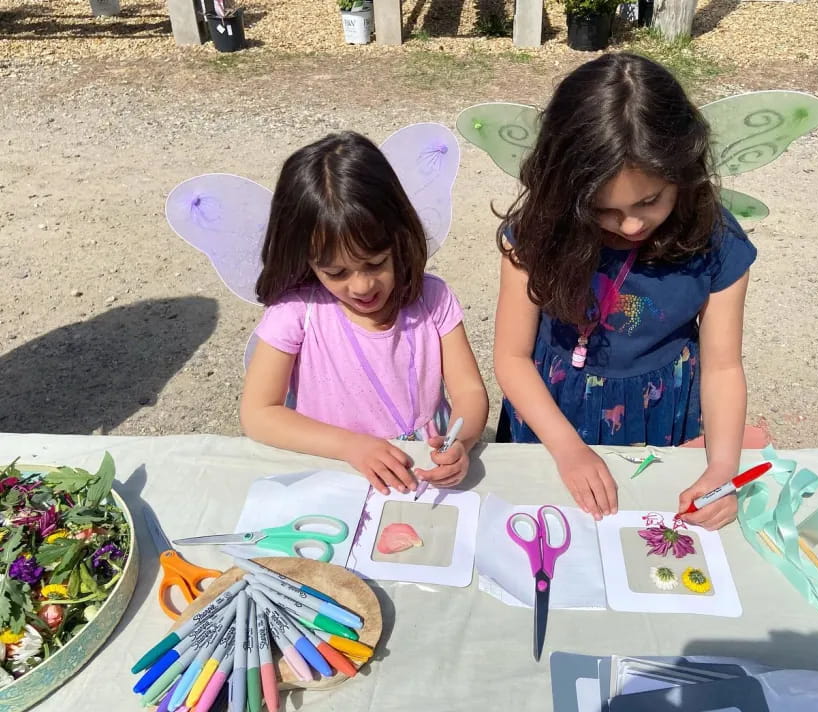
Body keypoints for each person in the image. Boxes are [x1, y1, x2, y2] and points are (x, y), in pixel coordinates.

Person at [493, 53, 757, 530]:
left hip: (660, 409)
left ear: (682, 170)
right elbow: (511, 358)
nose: (632, 224)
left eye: (650, 201)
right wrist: (568, 448)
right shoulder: (540, 233)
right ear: (565, 191)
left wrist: (722, 469)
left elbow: (722, 366)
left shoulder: (716, 239)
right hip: (552, 413)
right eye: (604, 209)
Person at [241, 132, 488, 494]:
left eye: (375, 264)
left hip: (424, 477)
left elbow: (468, 390)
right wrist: (350, 446)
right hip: (336, 473)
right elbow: (259, 414)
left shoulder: (432, 298)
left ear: (399, 238)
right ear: (305, 258)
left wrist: (461, 443)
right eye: (336, 273)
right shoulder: (297, 313)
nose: (361, 287)